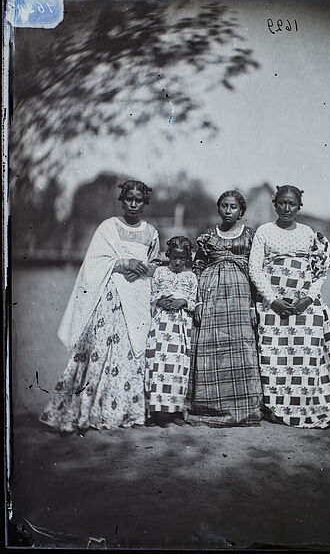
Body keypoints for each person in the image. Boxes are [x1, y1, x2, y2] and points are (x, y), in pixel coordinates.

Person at [39, 180, 161, 433]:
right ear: (122, 200)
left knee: (131, 350)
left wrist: (143, 269)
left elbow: (154, 265)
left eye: (139, 199)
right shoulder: (109, 227)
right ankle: (86, 410)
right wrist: (124, 263)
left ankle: (125, 411)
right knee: (99, 350)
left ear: (145, 202)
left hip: (136, 297)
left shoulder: (151, 232)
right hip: (110, 297)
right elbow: (93, 264)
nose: (134, 203)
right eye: (129, 198)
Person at [249, 185, 330, 428]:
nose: (286, 208)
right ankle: (276, 408)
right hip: (273, 303)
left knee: (307, 350)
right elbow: (255, 268)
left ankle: (308, 404)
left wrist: (309, 298)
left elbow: (319, 271)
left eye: (292, 204)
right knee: (275, 356)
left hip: (303, 302)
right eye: (282, 203)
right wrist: (272, 299)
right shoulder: (264, 231)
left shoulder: (308, 233)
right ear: (275, 204)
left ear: (299, 206)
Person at [185, 190, 263, 427]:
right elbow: (197, 267)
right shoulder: (208, 236)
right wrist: (197, 301)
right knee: (211, 346)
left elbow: (255, 272)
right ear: (218, 209)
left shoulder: (250, 236)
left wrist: (253, 305)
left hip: (240, 299)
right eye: (224, 206)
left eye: (233, 207)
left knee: (240, 347)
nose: (228, 210)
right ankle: (208, 407)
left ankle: (243, 409)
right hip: (211, 297)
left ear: (241, 212)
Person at [145, 236, 198, 427]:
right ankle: (155, 412)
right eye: (174, 257)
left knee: (178, 367)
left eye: (182, 258)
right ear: (168, 255)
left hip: (181, 326)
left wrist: (183, 302)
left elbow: (194, 300)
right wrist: (159, 300)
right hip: (161, 324)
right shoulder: (159, 272)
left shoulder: (191, 277)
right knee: (158, 365)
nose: (177, 262)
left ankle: (175, 411)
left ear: (187, 259)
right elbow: (150, 294)